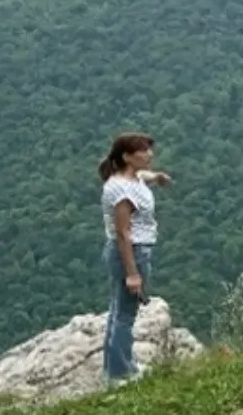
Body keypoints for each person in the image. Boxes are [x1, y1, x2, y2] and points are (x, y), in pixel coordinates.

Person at [99, 133, 172, 384]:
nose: (150, 154)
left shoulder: (132, 178)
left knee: (117, 309)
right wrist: (133, 273)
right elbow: (123, 232)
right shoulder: (121, 190)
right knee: (125, 315)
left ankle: (114, 366)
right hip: (132, 252)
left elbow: (144, 178)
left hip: (125, 252)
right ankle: (121, 375)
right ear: (127, 157)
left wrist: (158, 177)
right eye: (143, 151)